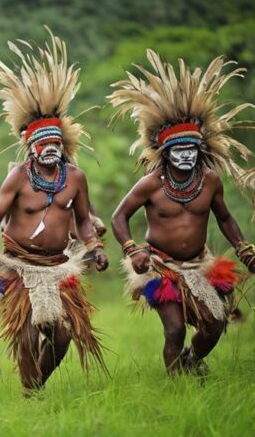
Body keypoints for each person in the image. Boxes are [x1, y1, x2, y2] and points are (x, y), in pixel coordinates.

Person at [0, 30, 108, 396]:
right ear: (30, 148)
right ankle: (30, 390)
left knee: (62, 334)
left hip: (59, 265)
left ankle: (34, 385)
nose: (50, 148)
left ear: (62, 145)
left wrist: (94, 246)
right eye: (42, 143)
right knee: (32, 327)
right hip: (19, 263)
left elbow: (82, 220)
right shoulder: (18, 177)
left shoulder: (76, 178)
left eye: (55, 143)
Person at [109, 50, 255, 375]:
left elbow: (226, 218)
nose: (186, 156)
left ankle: (191, 360)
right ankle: (177, 386)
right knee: (173, 328)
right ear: (165, 153)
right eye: (179, 151)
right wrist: (132, 250)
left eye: (192, 150)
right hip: (158, 267)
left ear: (200, 150)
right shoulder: (150, 184)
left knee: (215, 323)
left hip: (199, 265)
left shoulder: (211, 182)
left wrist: (244, 249)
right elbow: (119, 217)